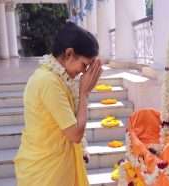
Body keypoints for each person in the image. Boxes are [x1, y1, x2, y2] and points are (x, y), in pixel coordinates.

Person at [14, 22, 102, 186]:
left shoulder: (54, 78)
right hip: (46, 173)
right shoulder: (49, 81)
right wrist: (84, 93)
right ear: (69, 53)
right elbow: (75, 134)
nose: (84, 72)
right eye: (84, 65)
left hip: (53, 167)